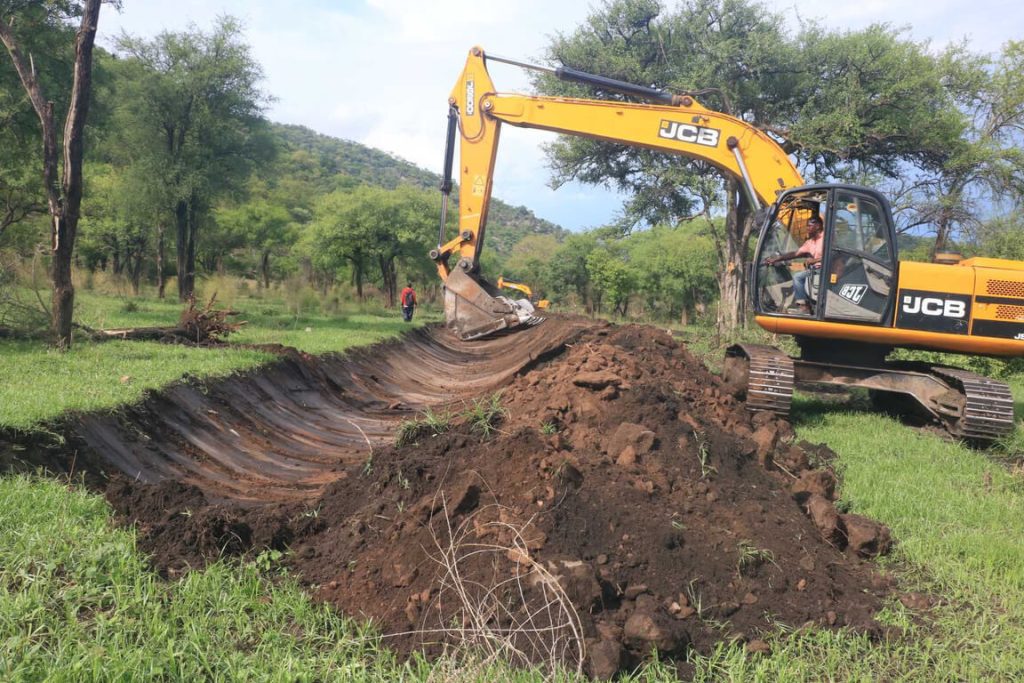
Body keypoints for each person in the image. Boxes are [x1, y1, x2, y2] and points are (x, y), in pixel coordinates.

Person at [764, 216, 824, 314]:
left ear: (817, 226)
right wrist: (776, 259)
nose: (807, 228)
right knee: (801, 276)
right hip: (815, 270)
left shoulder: (827, 238)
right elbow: (795, 254)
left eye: (809, 226)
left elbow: (833, 255)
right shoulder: (810, 242)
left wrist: (814, 260)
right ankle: (810, 304)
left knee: (798, 277)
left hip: (826, 269)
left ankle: (804, 306)